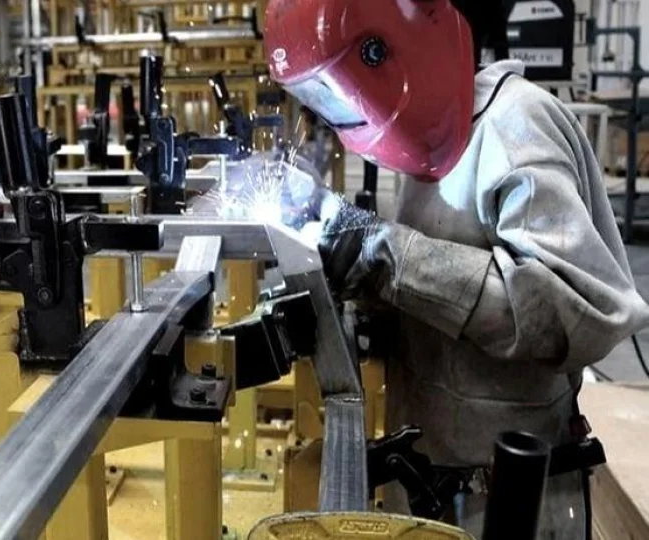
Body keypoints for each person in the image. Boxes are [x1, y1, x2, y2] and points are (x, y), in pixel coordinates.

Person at [263, 0, 649, 538]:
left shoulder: (516, 126)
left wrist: (385, 253)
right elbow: (437, 297)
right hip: (428, 479)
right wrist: (354, 290)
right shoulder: (430, 139)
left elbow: (573, 314)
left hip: (514, 501)